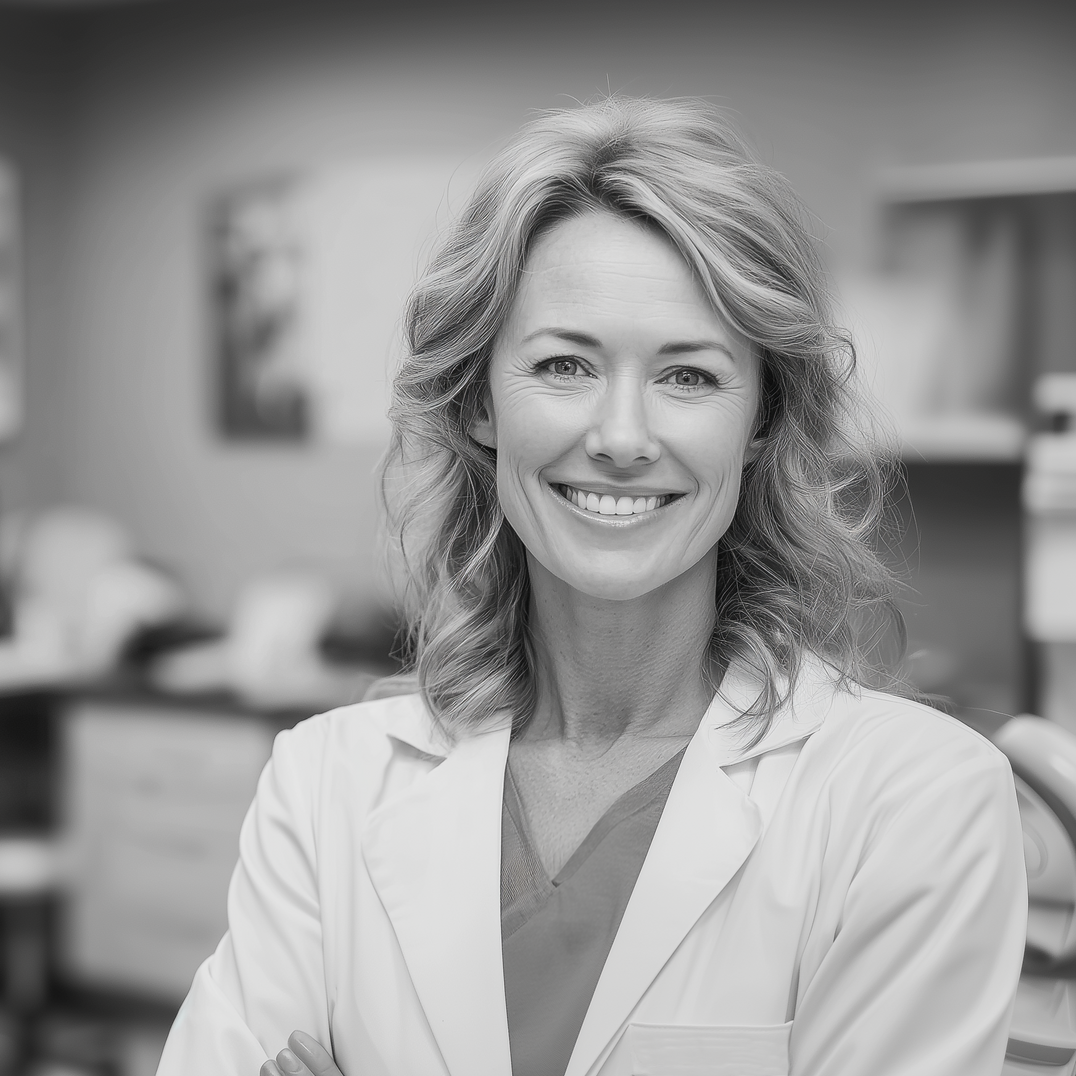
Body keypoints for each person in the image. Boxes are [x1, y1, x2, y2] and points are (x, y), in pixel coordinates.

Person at [156, 97, 1026, 1076]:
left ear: (758, 421)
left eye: (687, 375)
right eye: (564, 363)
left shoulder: (909, 800)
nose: (618, 436)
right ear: (480, 398)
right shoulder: (325, 786)